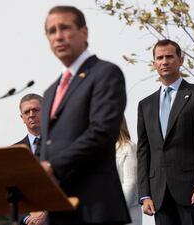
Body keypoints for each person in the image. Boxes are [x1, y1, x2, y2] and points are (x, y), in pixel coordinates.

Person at [39, 5, 130, 225]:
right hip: (59, 209)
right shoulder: (50, 92)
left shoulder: (105, 73)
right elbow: (47, 146)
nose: (58, 36)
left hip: (95, 208)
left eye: (64, 28)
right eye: (51, 31)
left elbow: (100, 133)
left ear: (84, 32)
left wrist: (53, 167)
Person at [137, 39, 194, 225]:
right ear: (154, 63)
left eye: (169, 56)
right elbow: (143, 152)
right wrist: (145, 194)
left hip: (193, 192)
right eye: (160, 58)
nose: (165, 61)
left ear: (181, 60)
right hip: (160, 196)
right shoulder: (145, 105)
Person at [14, 93, 47, 225]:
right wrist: (27, 219)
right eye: (27, 112)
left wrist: (47, 213)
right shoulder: (14, 151)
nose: (31, 114)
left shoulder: (61, 143)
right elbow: (11, 191)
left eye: (35, 110)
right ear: (22, 118)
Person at [115, 117, 142, 225]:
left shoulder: (128, 148)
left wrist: (113, 210)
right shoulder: (100, 150)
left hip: (126, 213)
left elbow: (131, 184)